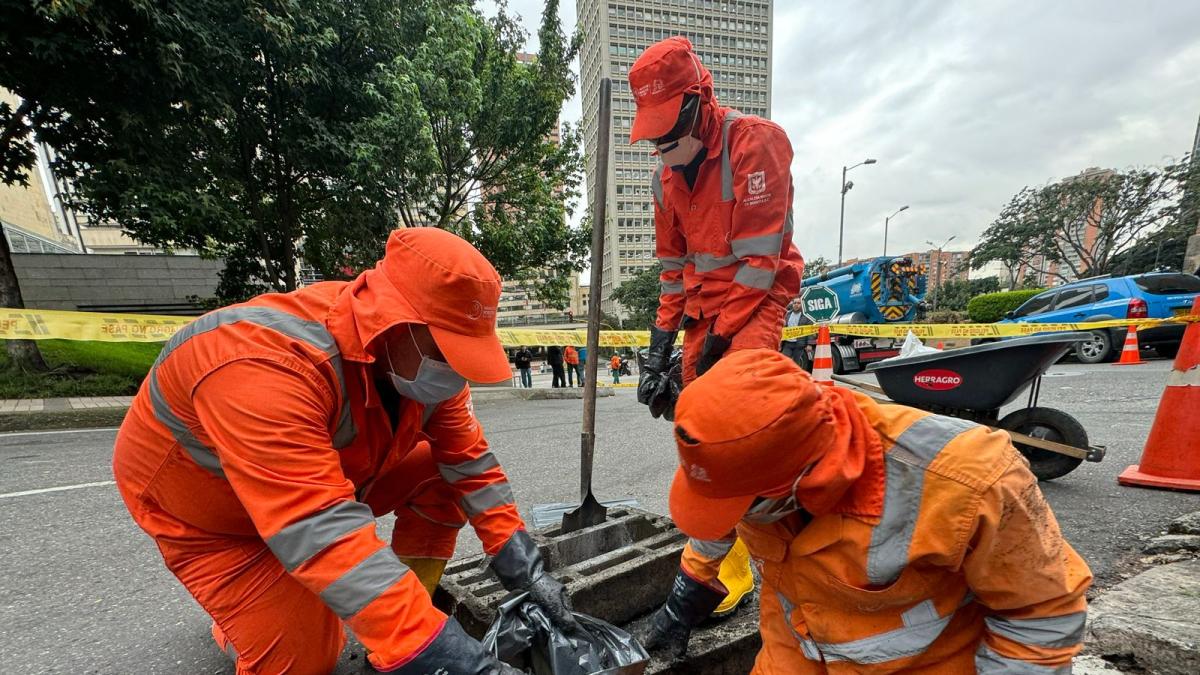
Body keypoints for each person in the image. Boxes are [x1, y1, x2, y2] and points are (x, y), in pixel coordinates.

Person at [112, 229, 577, 675]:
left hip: (321, 482)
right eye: (447, 349)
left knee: (439, 478)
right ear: (397, 323)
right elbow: (318, 524)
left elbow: (470, 464)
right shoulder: (264, 364)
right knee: (307, 660)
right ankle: (245, 620)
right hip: (212, 515)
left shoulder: (418, 366)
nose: (457, 371)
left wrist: (526, 570)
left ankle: (405, 618)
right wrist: (462, 666)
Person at [640, 350, 1092, 673]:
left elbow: (1042, 618)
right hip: (793, 654)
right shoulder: (754, 470)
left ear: (802, 478)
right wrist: (686, 596)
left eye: (748, 505)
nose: (739, 517)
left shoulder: (970, 479)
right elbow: (718, 518)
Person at [629, 35, 805, 617]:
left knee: (735, 421)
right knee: (693, 424)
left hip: (756, 303)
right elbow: (674, 273)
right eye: (653, 139)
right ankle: (725, 565)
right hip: (706, 312)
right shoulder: (664, 177)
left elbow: (761, 262)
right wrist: (659, 350)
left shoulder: (756, 144)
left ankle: (776, 549)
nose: (662, 149)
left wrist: (721, 345)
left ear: (699, 102)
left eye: (668, 136)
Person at [780, 297, 806, 368]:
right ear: (792, 304)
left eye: (798, 303)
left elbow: (809, 330)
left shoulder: (805, 316)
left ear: (801, 305)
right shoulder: (787, 314)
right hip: (788, 343)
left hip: (799, 344)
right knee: (784, 360)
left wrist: (809, 343)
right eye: (795, 303)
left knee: (796, 363)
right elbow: (783, 327)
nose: (796, 305)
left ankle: (795, 377)